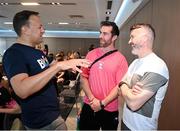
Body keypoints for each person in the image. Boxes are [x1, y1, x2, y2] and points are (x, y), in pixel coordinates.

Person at [2, 10, 90, 130]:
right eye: (40, 27)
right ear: (25, 30)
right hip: (40, 123)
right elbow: (22, 89)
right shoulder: (14, 54)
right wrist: (58, 66)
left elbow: (51, 68)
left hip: (53, 116)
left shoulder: (37, 52)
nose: (43, 30)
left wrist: (68, 65)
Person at [118, 23, 169, 130]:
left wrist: (125, 86)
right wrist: (125, 86)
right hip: (125, 121)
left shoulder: (157, 66)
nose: (129, 41)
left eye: (132, 37)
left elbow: (133, 103)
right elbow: (120, 85)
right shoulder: (135, 62)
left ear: (144, 39)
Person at [79, 21, 128, 130]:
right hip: (89, 105)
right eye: (100, 32)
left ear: (114, 37)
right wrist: (92, 100)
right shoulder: (91, 54)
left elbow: (119, 86)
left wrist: (101, 103)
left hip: (110, 109)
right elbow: (83, 78)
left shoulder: (121, 59)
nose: (101, 36)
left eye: (105, 34)